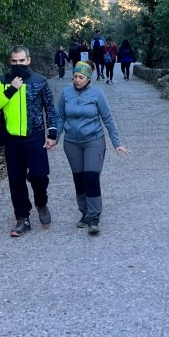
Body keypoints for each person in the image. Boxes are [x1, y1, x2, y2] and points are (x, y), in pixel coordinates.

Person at [0, 45, 59, 237]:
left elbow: (50, 108)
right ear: (10, 62)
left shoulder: (39, 80)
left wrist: (52, 133)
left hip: (35, 137)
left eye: (21, 60)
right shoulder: (3, 81)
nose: (18, 64)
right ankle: (22, 218)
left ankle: (41, 203)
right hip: (13, 140)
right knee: (16, 181)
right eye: (14, 61)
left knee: (39, 176)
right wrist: (11, 89)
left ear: (29, 60)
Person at [56, 60, 130, 234]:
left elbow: (108, 119)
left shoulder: (97, 94)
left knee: (91, 177)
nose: (77, 80)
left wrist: (117, 143)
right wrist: (54, 138)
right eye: (75, 76)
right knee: (79, 179)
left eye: (81, 77)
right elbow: (59, 117)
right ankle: (85, 213)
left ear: (88, 78)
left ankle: (94, 217)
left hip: (93, 141)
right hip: (72, 142)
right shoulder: (66, 93)